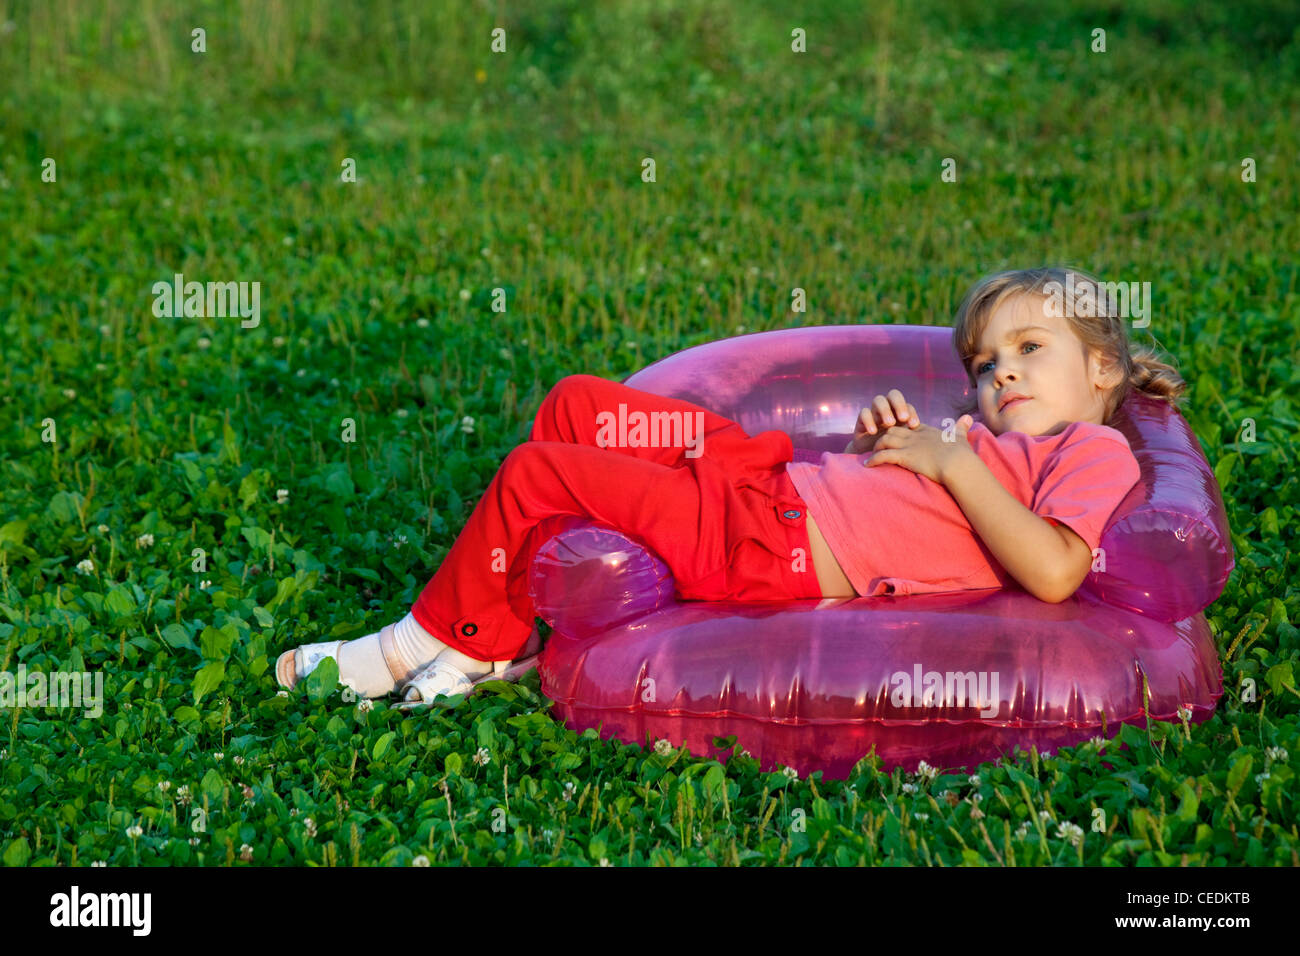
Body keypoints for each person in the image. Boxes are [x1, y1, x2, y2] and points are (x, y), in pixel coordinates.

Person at [277, 265, 1187, 705]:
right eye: (987, 364)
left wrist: (951, 464)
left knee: (533, 471)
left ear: (1104, 367)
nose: (1004, 376)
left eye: (1031, 351)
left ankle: (430, 642)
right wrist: (899, 444)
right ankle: (511, 629)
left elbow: (1059, 569)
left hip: (768, 542)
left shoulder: (1093, 453)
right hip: (766, 477)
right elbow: (920, 496)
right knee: (577, 406)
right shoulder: (982, 435)